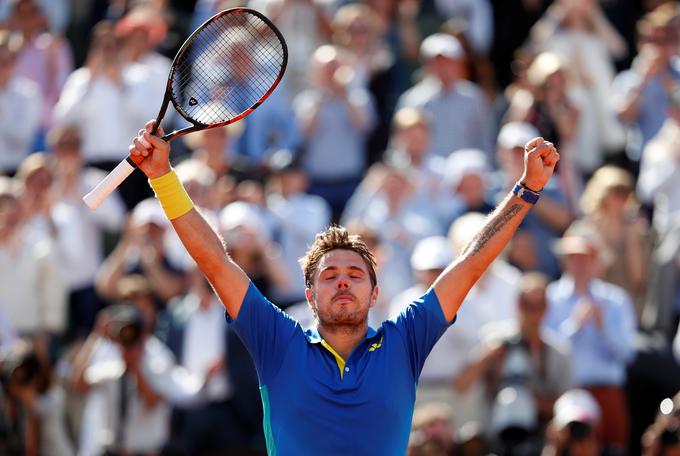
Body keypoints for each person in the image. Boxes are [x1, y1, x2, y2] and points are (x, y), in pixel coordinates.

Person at [127, 118, 559, 454]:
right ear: (309, 295)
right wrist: (163, 177)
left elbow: (471, 262)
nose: (343, 283)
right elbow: (215, 262)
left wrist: (527, 190)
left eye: (355, 276)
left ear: (376, 293)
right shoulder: (278, 341)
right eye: (330, 277)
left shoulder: (405, 339)